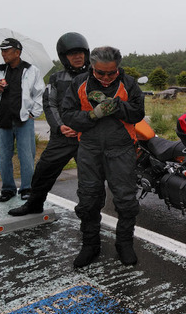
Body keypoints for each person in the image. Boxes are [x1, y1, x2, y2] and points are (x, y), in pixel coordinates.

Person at [61, 46, 145, 268]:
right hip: (89, 150)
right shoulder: (79, 82)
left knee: (126, 201)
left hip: (122, 149)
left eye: (111, 73)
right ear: (92, 68)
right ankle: (90, 245)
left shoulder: (129, 83)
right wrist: (92, 115)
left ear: (118, 68)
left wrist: (116, 107)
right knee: (88, 200)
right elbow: (67, 114)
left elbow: (138, 113)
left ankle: (124, 244)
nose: (106, 78)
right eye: (100, 73)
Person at [8, 32, 90, 217]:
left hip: (87, 138)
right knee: (44, 170)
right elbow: (49, 103)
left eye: (80, 53)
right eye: (72, 53)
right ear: (64, 57)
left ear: (86, 53)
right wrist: (60, 126)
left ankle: (88, 210)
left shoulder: (95, 76)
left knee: (89, 177)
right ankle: (34, 204)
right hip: (62, 136)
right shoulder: (56, 78)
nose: (77, 57)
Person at [0, 38, 45, 202]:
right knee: (4, 157)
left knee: (26, 156)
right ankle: (8, 189)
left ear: (17, 52)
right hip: (2, 119)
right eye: (1, 51)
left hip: (24, 120)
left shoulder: (31, 70)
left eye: (6, 50)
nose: (3, 54)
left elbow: (39, 93)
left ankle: (26, 188)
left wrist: (34, 113)